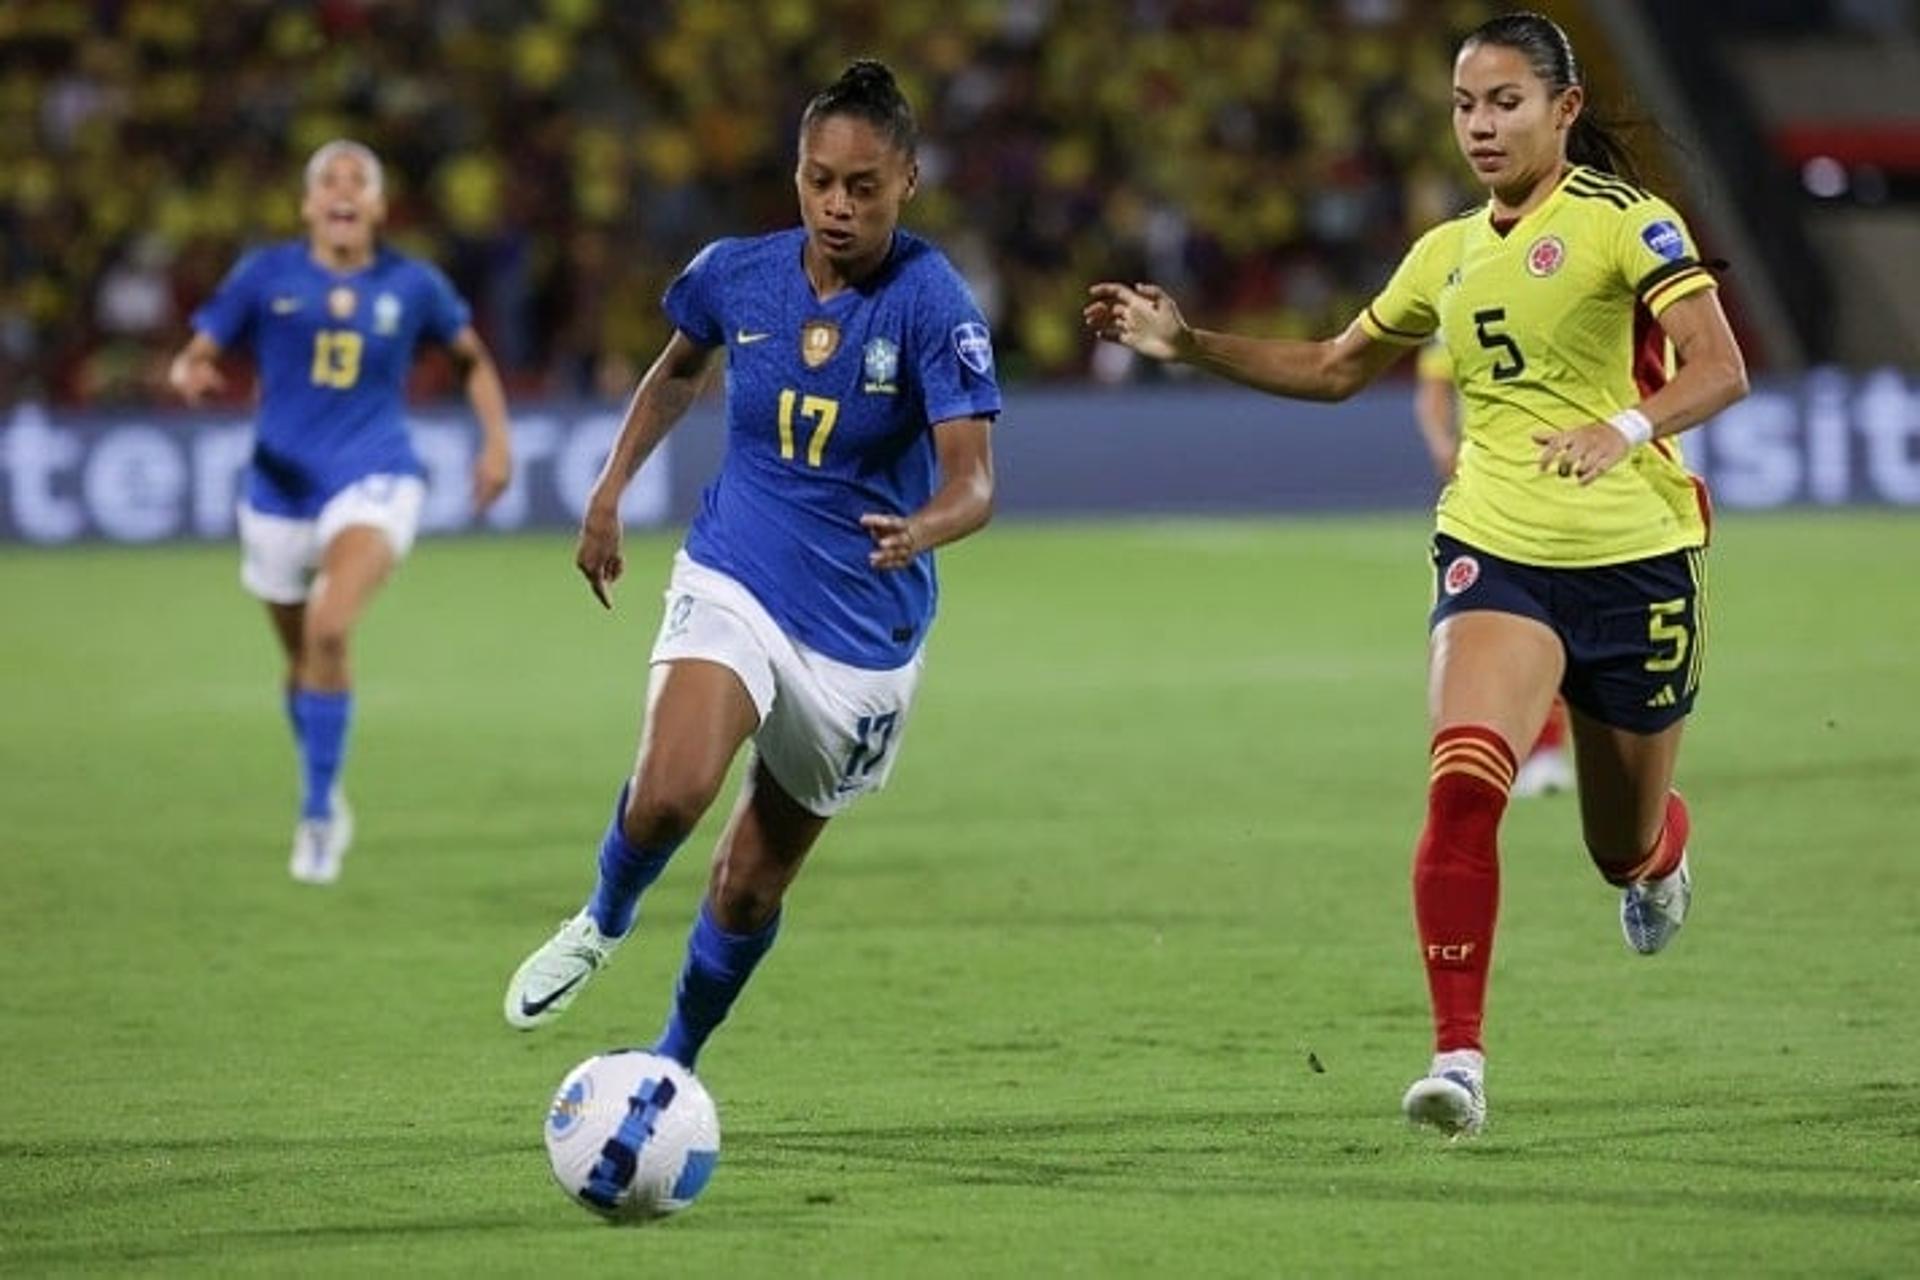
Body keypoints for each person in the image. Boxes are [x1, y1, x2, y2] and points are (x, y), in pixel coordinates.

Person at [1086, 11, 1747, 1136]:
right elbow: (1340, 366)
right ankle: (1460, 1059)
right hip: (1497, 551)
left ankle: (1659, 853)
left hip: (1636, 561)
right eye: (1465, 106)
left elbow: (1720, 366)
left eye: (1505, 103)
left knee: (1616, 842)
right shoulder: (1444, 253)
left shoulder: (1628, 223)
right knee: (1460, 785)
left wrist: (1625, 428)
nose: (1481, 126)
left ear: (1564, 109)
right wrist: (1192, 343)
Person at [501, 61, 1000, 1075]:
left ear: (907, 180)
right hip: (739, 569)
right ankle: (602, 918)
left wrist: (923, 527)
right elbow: (677, 368)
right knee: (670, 791)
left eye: (864, 186)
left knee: (747, 886)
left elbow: (975, 483)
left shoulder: (933, 302)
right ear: (797, 174)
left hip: (863, 635)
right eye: (821, 180)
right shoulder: (738, 272)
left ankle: (673, 1057)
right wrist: (608, 489)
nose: (838, 205)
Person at [168, 139, 513, 884]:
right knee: (301, 660)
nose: (344, 189)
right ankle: (321, 783)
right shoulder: (265, 274)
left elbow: (471, 359)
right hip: (277, 490)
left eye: (360, 180)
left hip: (376, 474)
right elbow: (197, 352)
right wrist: (190, 370)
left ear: (380, 208)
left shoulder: (412, 284)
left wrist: (497, 444)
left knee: (329, 628)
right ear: (307, 205)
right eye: (330, 179)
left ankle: (319, 811)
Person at [1414, 337, 1573, 798]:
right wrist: (1443, 443)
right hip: (1486, 492)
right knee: (1471, 628)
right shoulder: (1459, 302)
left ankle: (1539, 751)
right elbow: (1434, 391)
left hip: (1551, 484)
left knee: (1544, 622)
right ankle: (1486, 750)